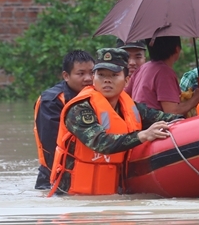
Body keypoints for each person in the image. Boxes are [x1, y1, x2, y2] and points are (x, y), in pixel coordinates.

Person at [50, 48, 182, 195]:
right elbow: (100, 142)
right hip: (72, 197)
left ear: (126, 80)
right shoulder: (80, 109)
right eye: (101, 75)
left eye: (114, 75)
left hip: (112, 194)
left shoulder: (132, 107)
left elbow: (168, 118)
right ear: (93, 78)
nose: (107, 80)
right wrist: (143, 136)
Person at [33, 50, 95, 190]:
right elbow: (52, 145)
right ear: (66, 76)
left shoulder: (99, 94)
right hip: (55, 177)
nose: (88, 78)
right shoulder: (52, 101)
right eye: (80, 74)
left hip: (90, 170)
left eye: (92, 72)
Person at [129, 35, 199, 114]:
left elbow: (125, 95)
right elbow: (172, 111)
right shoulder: (164, 72)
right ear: (177, 49)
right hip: (154, 124)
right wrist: (196, 99)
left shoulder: (142, 68)